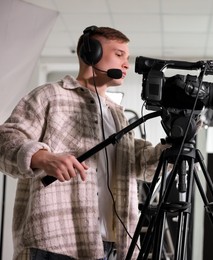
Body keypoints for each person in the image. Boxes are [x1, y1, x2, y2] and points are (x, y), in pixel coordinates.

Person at [0, 26, 168, 259]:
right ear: (91, 54)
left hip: (110, 246)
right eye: (119, 54)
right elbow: (5, 140)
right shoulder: (50, 96)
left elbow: (140, 164)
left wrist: (178, 140)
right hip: (54, 243)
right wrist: (42, 157)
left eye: (126, 57)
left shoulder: (117, 115)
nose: (126, 64)